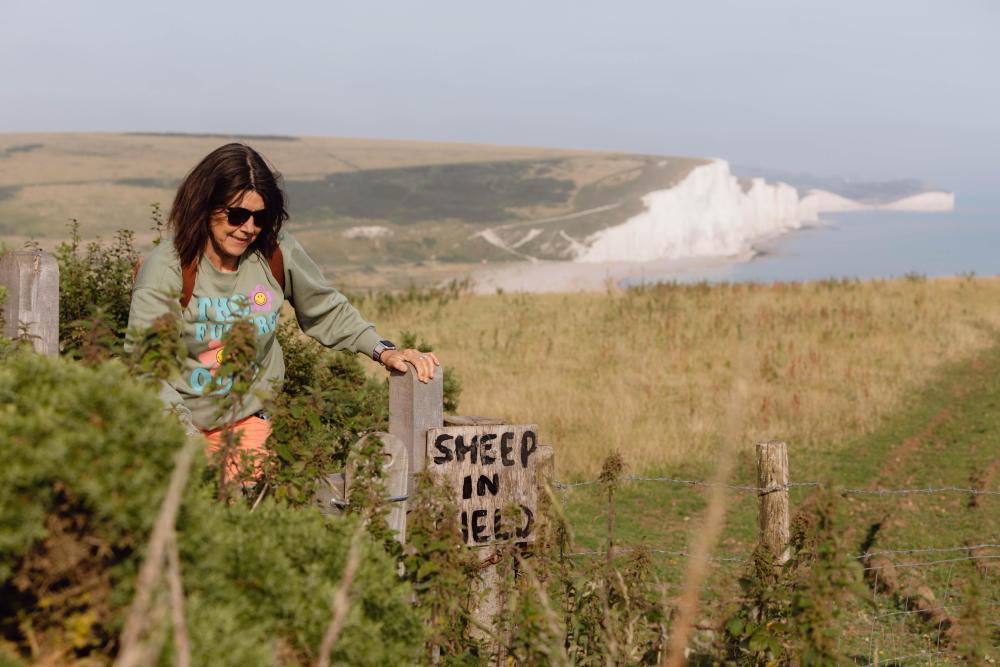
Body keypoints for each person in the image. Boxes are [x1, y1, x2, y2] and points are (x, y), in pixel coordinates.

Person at [126, 143, 438, 479]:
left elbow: (325, 308)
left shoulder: (275, 252)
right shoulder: (167, 267)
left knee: (244, 517)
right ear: (205, 206)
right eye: (236, 215)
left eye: (259, 217)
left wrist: (383, 350)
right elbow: (147, 367)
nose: (248, 228)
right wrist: (184, 438)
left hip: (247, 419)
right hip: (176, 420)